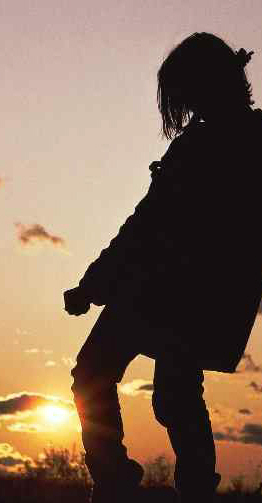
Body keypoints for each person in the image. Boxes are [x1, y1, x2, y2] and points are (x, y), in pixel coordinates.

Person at [64, 33, 262, 503]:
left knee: (167, 393)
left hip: (190, 295)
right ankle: (118, 482)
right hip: (152, 289)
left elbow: (152, 224)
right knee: (107, 377)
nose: (185, 104)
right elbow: (145, 221)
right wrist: (94, 283)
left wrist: (95, 284)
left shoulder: (246, 141)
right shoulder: (198, 143)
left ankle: (167, 488)